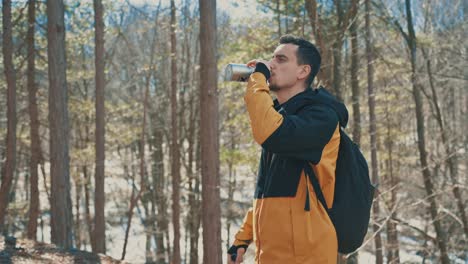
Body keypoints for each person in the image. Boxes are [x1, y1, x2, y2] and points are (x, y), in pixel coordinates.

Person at [227, 35, 349, 264]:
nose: (271, 64)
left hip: (309, 257)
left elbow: (268, 132)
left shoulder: (321, 117)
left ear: (303, 71)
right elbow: (267, 194)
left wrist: (257, 79)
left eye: (281, 59)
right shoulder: (281, 120)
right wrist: (242, 240)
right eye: (271, 58)